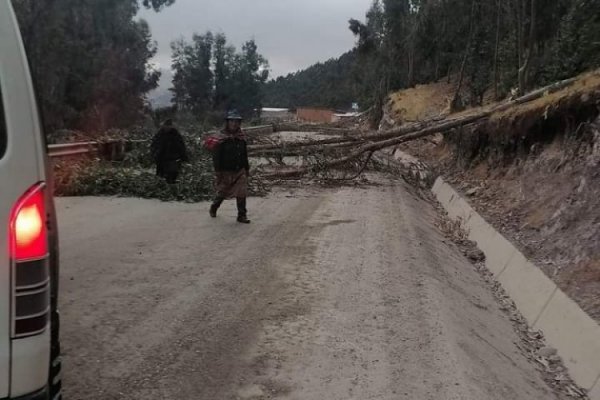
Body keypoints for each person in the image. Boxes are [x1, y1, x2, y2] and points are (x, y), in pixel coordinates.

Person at [209, 110, 251, 224]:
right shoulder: (220, 138)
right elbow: (216, 157)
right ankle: (214, 207)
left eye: (237, 121)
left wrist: (246, 169)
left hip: (240, 170)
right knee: (223, 192)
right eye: (232, 121)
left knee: (241, 192)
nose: (234, 124)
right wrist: (218, 172)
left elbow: (244, 154)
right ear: (227, 122)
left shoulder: (241, 138)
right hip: (225, 171)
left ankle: (241, 215)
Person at [151, 119, 188, 184]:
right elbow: (154, 145)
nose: (167, 127)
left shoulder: (176, 135)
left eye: (169, 126)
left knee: (172, 178)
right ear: (163, 126)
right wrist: (154, 155)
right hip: (161, 160)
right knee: (160, 178)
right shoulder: (159, 135)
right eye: (166, 125)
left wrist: (184, 157)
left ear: (171, 126)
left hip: (173, 160)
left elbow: (181, 146)